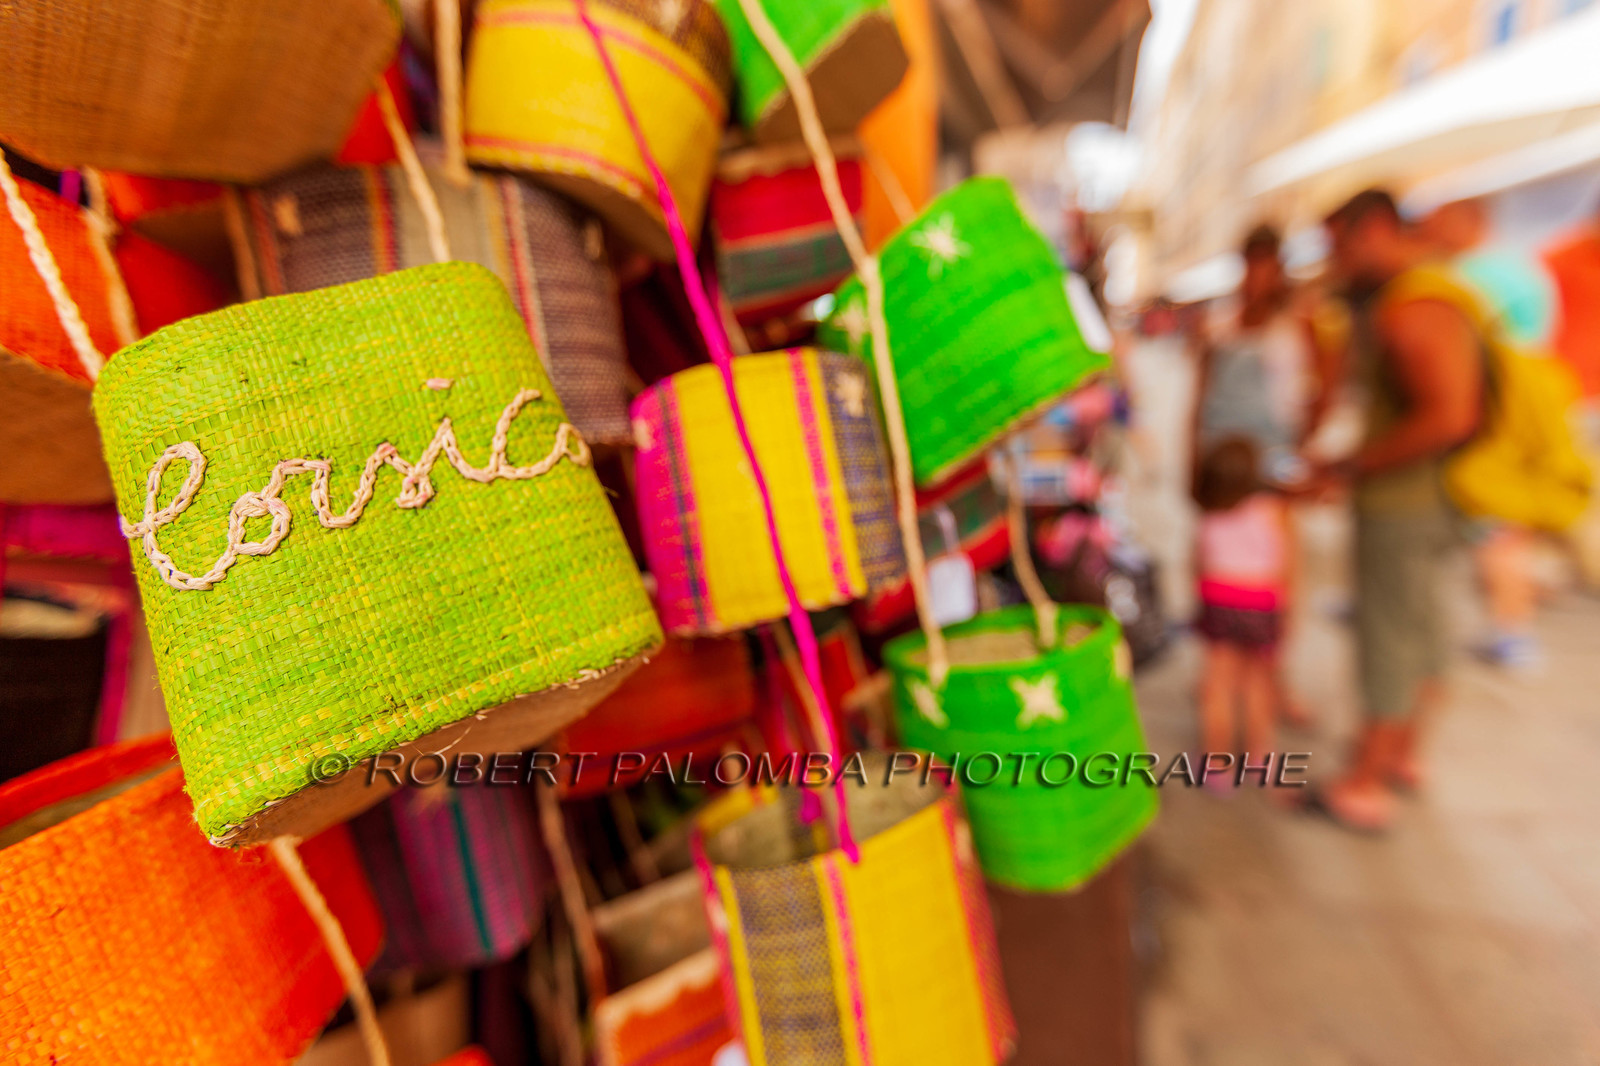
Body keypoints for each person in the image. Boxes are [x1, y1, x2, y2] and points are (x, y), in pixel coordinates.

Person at [1309, 189, 1483, 831]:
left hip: (1406, 506)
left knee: (1389, 640)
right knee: (1421, 630)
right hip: (1435, 500)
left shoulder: (1412, 304)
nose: (1337, 261)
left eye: (1340, 244)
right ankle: (1400, 756)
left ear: (1375, 228)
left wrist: (1355, 465)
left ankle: (1364, 785)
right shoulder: (1434, 290)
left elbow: (1448, 414)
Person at [1191, 225, 1323, 728]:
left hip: (1272, 460)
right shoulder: (1221, 323)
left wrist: (1302, 456)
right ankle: (1221, 664)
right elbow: (1203, 396)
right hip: (1223, 463)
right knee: (1218, 558)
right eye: (1251, 263)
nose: (1258, 275)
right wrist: (1193, 461)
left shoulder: (1298, 323)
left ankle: (1271, 673)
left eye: (1267, 264)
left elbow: (1316, 389)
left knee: (1275, 567)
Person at [1422, 198, 1555, 671]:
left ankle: (1514, 631)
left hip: (1494, 415)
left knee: (1494, 527)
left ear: (1469, 220)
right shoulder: (1523, 268)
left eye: (1443, 219)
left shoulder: (1471, 277)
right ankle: (1514, 621)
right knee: (1506, 525)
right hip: (1522, 412)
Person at [1193, 437, 1289, 787]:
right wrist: (1287, 610)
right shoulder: (1273, 510)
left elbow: (1199, 563)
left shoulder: (1210, 514)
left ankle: (1216, 763)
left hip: (1218, 598)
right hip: (1261, 600)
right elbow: (1286, 564)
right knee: (1257, 685)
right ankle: (1259, 757)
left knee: (1217, 684)